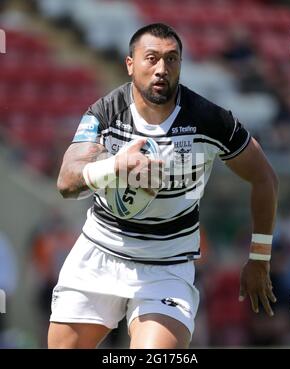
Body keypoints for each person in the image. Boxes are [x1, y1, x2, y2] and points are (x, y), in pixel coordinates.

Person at [48, 23, 278, 349]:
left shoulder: (210, 120)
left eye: (171, 60)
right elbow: (66, 181)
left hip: (166, 268)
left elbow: (265, 177)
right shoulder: (105, 114)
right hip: (98, 255)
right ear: (130, 64)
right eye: (152, 58)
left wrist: (259, 257)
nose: (161, 69)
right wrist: (116, 166)